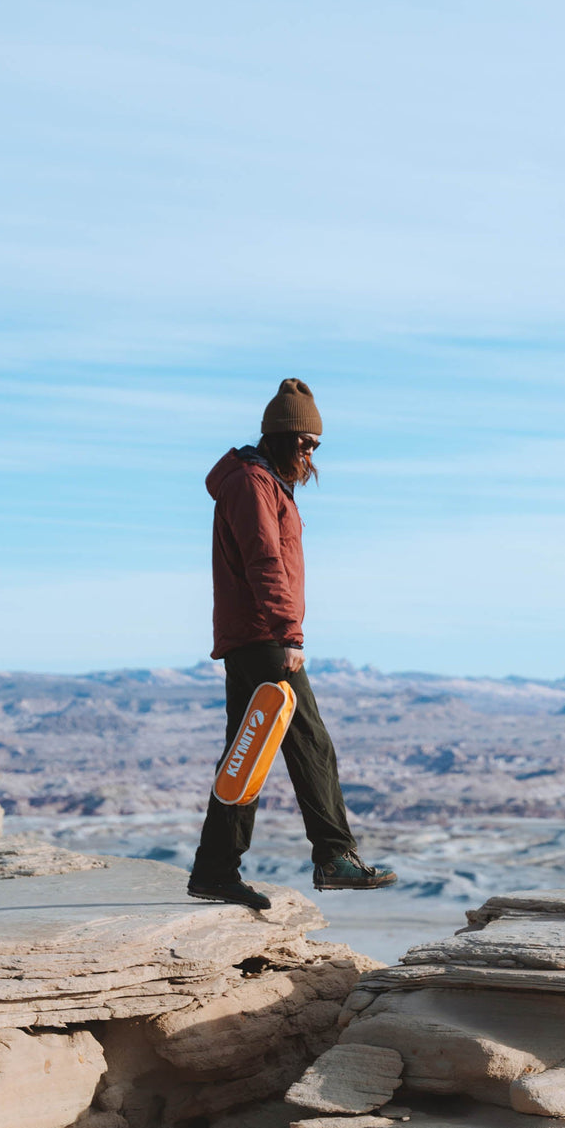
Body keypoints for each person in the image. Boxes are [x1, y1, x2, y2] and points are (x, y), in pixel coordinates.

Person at [188, 377, 396, 910]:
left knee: (247, 754)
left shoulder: (264, 484)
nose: (309, 451)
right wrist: (288, 633)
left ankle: (215, 869)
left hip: (256, 635)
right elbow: (264, 562)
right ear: (279, 436)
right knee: (308, 742)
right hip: (262, 636)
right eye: (303, 441)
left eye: (315, 444)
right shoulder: (251, 485)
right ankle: (334, 855)